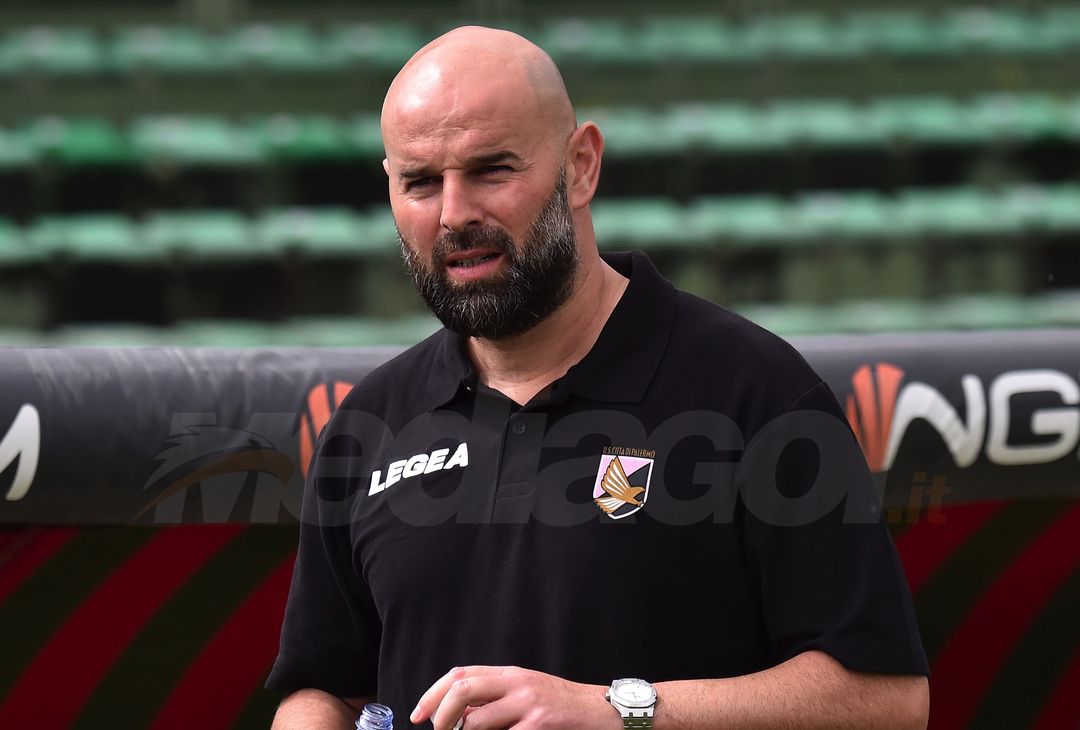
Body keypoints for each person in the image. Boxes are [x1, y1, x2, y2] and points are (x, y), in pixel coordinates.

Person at [267, 26, 930, 729]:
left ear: (581, 166)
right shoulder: (371, 423)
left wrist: (619, 712)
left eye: (492, 169)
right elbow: (321, 689)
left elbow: (886, 700)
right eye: (421, 182)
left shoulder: (755, 391)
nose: (455, 214)